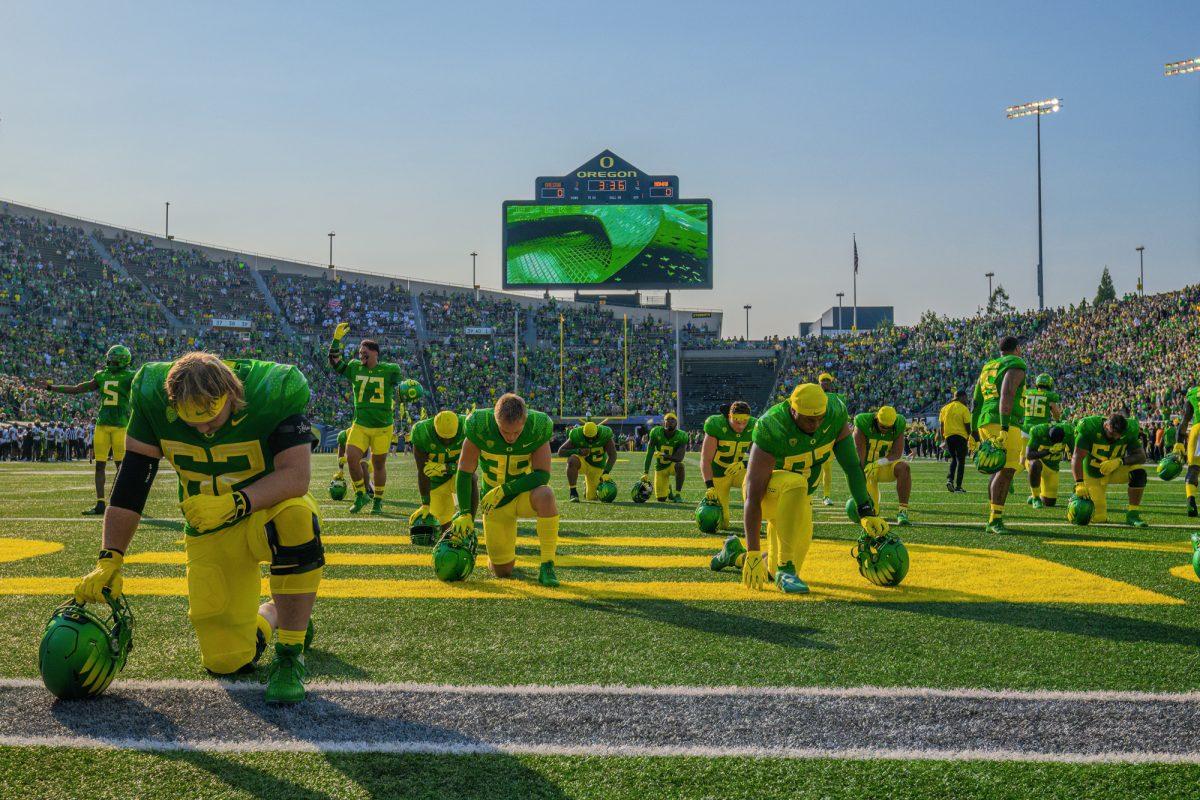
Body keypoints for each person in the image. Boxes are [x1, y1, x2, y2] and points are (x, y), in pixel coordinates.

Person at [72, 353, 322, 703]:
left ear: (232, 394)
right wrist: (110, 558)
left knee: (296, 518)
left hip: (265, 510)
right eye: (191, 419)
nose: (203, 429)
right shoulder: (150, 395)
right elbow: (132, 484)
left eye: (209, 416)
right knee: (226, 660)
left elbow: (296, 477)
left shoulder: (273, 389)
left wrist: (237, 502)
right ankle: (282, 611)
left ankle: (290, 657)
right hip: (209, 528)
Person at [710, 384, 887, 594]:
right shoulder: (772, 425)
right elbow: (753, 495)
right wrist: (754, 550)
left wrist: (866, 510)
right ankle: (786, 569)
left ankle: (734, 554)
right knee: (796, 483)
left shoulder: (835, 414)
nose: (816, 424)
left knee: (771, 570)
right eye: (809, 419)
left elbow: (851, 466)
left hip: (799, 501)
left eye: (820, 418)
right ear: (793, 411)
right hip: (769, 494)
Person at [451, 393, 561, 586]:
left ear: (524, 421)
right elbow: (465, 470)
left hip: (522, 496)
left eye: (516, 433)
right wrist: (465, 512)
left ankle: (548, 565)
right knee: (502, 571)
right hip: (493, 503)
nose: (511, 437)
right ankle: (497, 557)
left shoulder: (538, 426)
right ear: (495, 420)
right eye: (505, 431)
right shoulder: (479, 425)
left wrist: (505, 489)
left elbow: (542, 474)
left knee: (546, 494)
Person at [327, 322, 422, 514]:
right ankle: (361, 494)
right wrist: (336, 340)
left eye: (364, 352)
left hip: (382, 427)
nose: (360, 355)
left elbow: (401, 387)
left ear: (375, 353)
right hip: (360, 424)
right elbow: (335, 363)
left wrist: (409, 389)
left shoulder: (390, 370)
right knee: (352, 459)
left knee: (378, 465)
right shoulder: (355, 368)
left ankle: (378, 500)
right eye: (360, 352)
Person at [45, 345, 136, 515]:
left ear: (123, 359)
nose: (111, 360)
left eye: (114, 357)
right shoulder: (102, 375)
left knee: (121, 467)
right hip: (103, 425)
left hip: (121, 426)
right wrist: (52, 388)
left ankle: (122, 502)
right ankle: (100, 503)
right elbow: (78, 388)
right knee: (99, 466)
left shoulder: (131, 376)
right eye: (111, 357)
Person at [972, 336, 1028, 534]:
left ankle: (992, 515)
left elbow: (976, 399)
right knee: (1007, 470)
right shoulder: (1015, 363)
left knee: (997, 468)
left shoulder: (988, 366)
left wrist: (973, 430)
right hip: (1003, 421)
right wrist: (1004, 427)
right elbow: (1008, 393)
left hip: (985, 421)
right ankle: (995, 520)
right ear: (1017, 349)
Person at [1072, 413, 1148, 527]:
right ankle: (1076, 496)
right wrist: (1079, 483)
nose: (1116, 438)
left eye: (1119, 435)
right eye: (1112, 434)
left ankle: (1133, 514)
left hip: (1114, 470)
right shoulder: (1089, 428)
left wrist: (1120, 461)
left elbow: (1141, 457)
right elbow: (1077, 457)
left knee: (1139, 473)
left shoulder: (1129, 430)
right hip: (1092, 474)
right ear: (1106, 425)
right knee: (1099, 518)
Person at [699, 401, 756, 530]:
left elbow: (763, 457)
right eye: (737, 420)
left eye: (745, 421)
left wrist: (744, 463)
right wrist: (709, 486)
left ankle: (755, 520)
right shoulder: (716, 425)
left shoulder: (754, 425)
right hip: (718, 474)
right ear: (729, 416)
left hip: (739, 471)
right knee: (722, 524)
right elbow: (706, 459)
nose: (741, 426)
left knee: (757, 486)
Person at [410, 409, 472, 527]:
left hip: (458, 478)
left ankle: (469, 521)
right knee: (441, 521)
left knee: (472, 478)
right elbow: (422, 472)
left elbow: (471, 467)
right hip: (437, 482)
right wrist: (425, 504)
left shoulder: (467, 426)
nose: (447, 441)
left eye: (451, 437)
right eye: (443, 437)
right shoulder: (422, 432)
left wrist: (446, 468)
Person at [854, 406, 911, 526]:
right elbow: (860, 453)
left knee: (904, 467)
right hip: (868, 469)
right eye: (883, 426)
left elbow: (896, 453)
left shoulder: (899, 423)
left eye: (889, 427)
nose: (886, 429)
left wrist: (878, 463)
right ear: (876, 420)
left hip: (885, 465)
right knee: (872, 513)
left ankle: (902, 511)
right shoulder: (863, 422)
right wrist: (862, 474)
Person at [558, 420, 617, 502]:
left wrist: (606, 472)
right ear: (583, 433)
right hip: (583, 463)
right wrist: (578, 451)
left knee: (592, 498)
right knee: (572, 460)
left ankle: (587, 485)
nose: (590, 441)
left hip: (597, 467)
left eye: (593, 438)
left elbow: (613, 455)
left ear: (597, 433)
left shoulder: (605, 435)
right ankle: (573, 492)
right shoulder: (577, 435)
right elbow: (561, 452)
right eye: (588, 438)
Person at [1024, 421, 1074, 508]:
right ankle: (1035, 497)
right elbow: (1029, 455)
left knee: (1049, 503)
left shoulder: (1069, 432)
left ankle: (1034, 496)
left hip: (1052, 467)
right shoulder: (1038, 431)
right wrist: (1048, 451)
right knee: (1035, 464)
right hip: (1039, 462)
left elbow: (1075, 453)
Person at [641, 412, 688, 502]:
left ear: (676, 423)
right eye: (667, 420)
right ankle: (668, 489)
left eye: (672, 420)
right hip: (660, 468)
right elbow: (649, 453)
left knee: (680, 465)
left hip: (672, 465)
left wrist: (664, 455)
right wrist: (645, 472)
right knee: (661, 499)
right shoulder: (655, 432)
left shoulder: (681, 435)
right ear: (663, 423)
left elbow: (679, 458)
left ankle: (678, 494)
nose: (670, 422)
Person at [817, 372, 843, 506]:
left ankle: (826, 496)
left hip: (828, 437)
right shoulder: (814, 396)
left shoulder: (837, 398)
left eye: (828, 380)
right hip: (814, 435)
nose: (826, 383)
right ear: (819, 383)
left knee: (827, 467)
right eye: (823, 380)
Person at [939, 390, 972, 493]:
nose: (966, 400)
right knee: (961, 461)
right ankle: (958, 486)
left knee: (953, 459)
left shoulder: (944, 408)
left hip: (948, 436)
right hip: (961, 436)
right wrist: (970, 436)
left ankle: (950, 480)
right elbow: (967, 425)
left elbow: (941, 425)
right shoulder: (963, 408)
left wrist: (943, 439)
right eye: (966, 398)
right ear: (961, 397)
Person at [1175, 386, 1199, 517]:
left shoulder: (1193, 393)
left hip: (1197, 430)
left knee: (1193, 468)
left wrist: (1179, 443)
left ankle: (1191, 500)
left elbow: (1184, 420)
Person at [334, 427, 373, 497]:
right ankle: (366, 486)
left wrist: (351, 459)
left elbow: (364, 453)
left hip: (363, 450)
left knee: (363, 465)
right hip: (354, 452)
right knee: (354, 472)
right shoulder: (342, 438)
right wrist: (340, 470)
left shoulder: (358, 436)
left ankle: (367, 489)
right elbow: (340, 455)